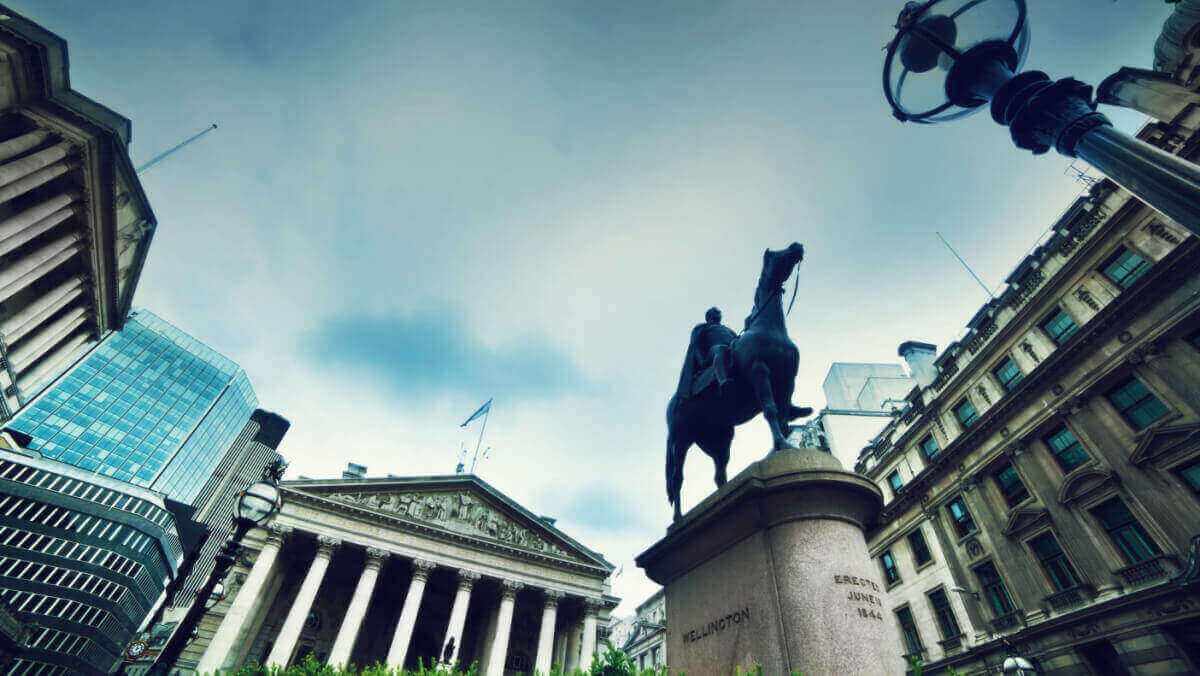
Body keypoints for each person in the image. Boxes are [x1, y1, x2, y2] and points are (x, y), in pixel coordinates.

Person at [675, 307, 737, 399]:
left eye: (718, 312)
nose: (718, 314)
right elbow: (695, 345)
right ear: (708, 316)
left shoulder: (727, 329)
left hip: (731, 347)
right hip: (712, 352)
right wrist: (701, 360)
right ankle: (723, 380)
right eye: (715, 312)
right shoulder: (702, 328)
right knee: (720, 349)